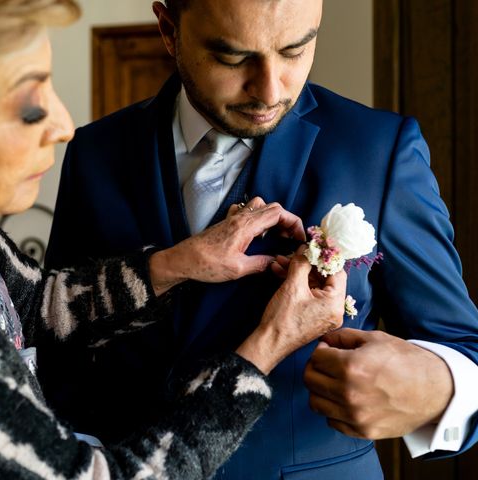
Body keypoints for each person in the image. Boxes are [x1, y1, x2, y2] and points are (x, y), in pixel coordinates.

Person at [0, 1, 352, 479]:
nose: (63, 125)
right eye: (28, 108)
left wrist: (177, 264)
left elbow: (29, 305)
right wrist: (268, 345)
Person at [46, 0, 478, 478]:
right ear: (170, 30)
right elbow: (59, 347)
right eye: (233, 58)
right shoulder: (95, 151)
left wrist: (435, 387)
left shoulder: (379, 149)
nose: (270, 91)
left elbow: (464, 345)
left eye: (296, 50)